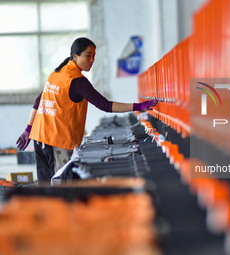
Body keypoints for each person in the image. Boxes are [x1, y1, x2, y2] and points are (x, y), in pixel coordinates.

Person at [16, 37, 157, 182]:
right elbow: (105, 105)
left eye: (94, 56)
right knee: (62, 185)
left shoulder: (57, 74)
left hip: (39, 138)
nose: (92, 60)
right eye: (88, 55)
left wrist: (28, 130)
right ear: (75, 56)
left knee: (45, 187)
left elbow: (37, 102)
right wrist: (137, 106)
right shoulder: (77, 81)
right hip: (57, 141)